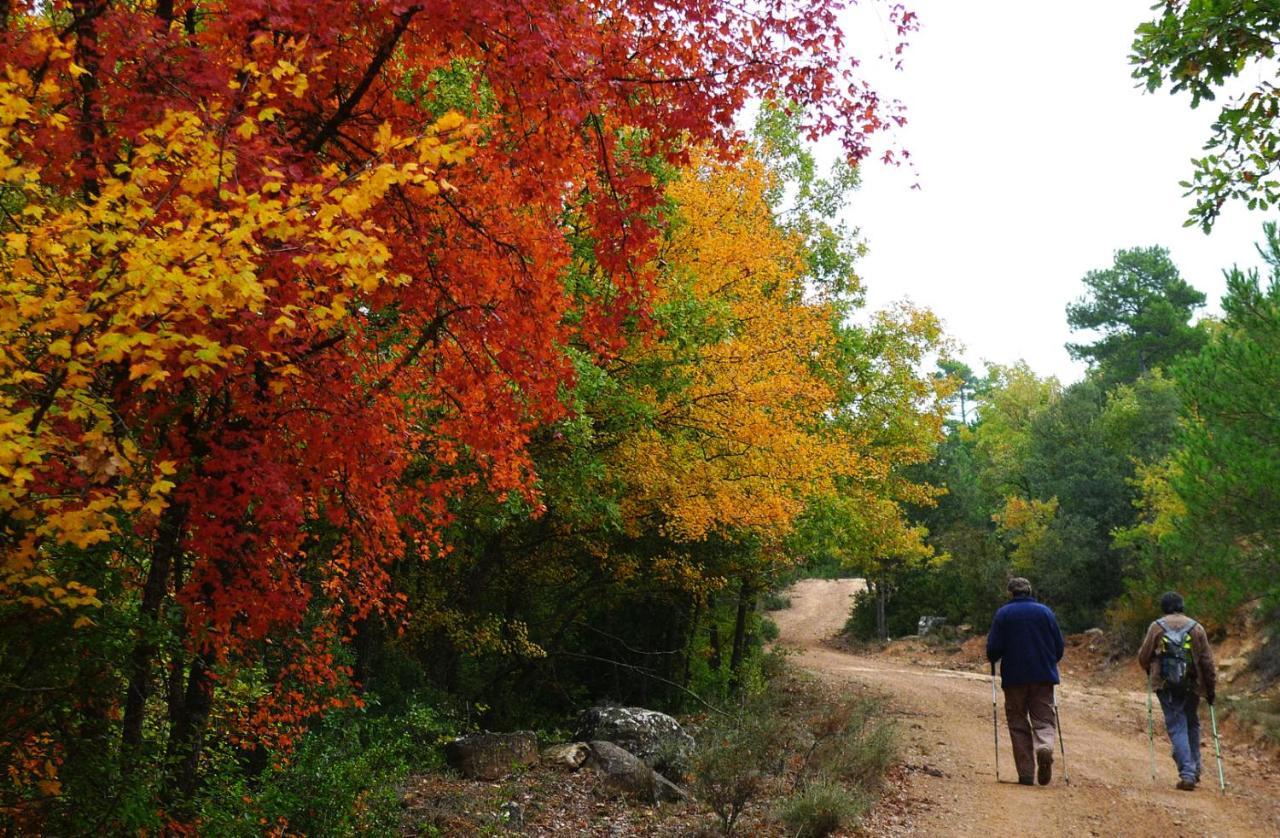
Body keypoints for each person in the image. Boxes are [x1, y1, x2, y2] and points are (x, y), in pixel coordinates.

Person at [986, 577, 1065, 786]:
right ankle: (1044, 747)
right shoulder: (1046, 612)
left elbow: (993, 649)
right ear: (1029, 591)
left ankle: (1026, 773)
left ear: (1010, 592)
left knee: (1018, 721)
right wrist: (1048, 661)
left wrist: (994, 658)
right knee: (1044, 719)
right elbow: (1059, 647)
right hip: (1043, 675)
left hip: (1014, 677)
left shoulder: (1003, 614)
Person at [1137, 591, 1217, 791]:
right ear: (1182, 606)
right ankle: (1194, 769)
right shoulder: (1197, 627)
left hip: (1166, 686)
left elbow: (1143, 656)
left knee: (1177, 725)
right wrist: (1211, 689)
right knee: (1192, 723)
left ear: (1163, 607)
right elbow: (1207, 662)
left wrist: (1150, 667)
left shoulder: (1157, 627)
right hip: (1193, 684)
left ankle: (1187, 773)